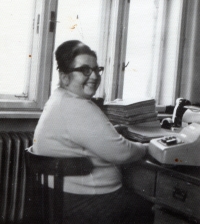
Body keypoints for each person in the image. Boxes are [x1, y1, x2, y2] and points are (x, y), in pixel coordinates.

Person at [32, 40, 148, 224]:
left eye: (96, 69)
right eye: (85, 70)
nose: (94, 76)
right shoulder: (78, 106)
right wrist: (145, 147)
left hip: (59, 199)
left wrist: (112, 133)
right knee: (149, 208)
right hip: (87, 202)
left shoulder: (59, 99)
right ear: (64, 77)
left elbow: (80, 137)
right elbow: (122, 153)